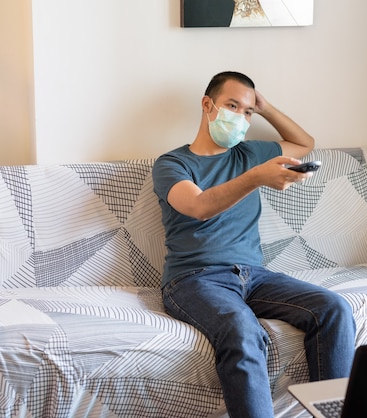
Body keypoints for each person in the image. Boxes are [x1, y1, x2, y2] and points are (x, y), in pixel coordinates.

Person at [152, 71, 356, 418]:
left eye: (247, 111)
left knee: (333, 308)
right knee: (241, 328)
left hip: (255, 276)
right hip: (193, 279)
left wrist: (266, 107)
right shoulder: (173, 163)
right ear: (208, 105)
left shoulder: (249, 153)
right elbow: (199, 206)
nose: (242, 118)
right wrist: (256, 177)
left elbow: (305, 143)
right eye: (233, 106)